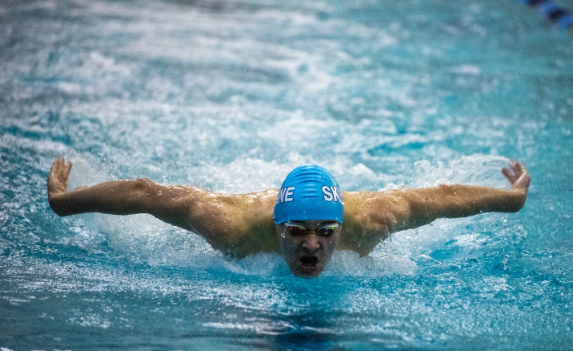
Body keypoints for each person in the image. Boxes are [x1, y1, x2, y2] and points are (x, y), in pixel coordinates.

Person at [47, 158, 530, 277]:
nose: (312, 245)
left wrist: (510, 199)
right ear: (276, 226)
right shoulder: (230, 226)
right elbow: (146, 194)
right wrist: (64, 201)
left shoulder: (374, 219)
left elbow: (443, 197)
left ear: (342, 224)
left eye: (325, 230)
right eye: (296, 230)